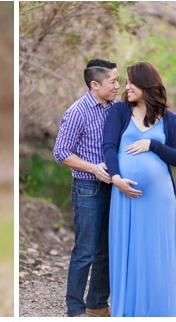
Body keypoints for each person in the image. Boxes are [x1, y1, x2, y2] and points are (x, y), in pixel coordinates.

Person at [102, 61, 176, 317]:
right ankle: (128, 312)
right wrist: (116, 178)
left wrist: (152, 144)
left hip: (158, 200)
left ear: (145, 83)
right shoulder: (119, 112)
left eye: (130, 82)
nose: (126, 88)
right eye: (125, 82)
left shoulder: (170, 120)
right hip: (124, 193)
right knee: (127, 252)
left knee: (155, 255)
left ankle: (158, 312)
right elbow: (109, 147)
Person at [53, 59, 119, 317]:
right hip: (87, 189)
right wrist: (93, 168)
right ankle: (75, 309)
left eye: (117, 80)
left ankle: (97, 304)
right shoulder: (77, 112)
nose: (117, 85)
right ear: (95, 84)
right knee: (85, 252)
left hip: (114, 189)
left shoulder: (116, 108)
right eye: (112, 81)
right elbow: (60, 153)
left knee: (106, 251)